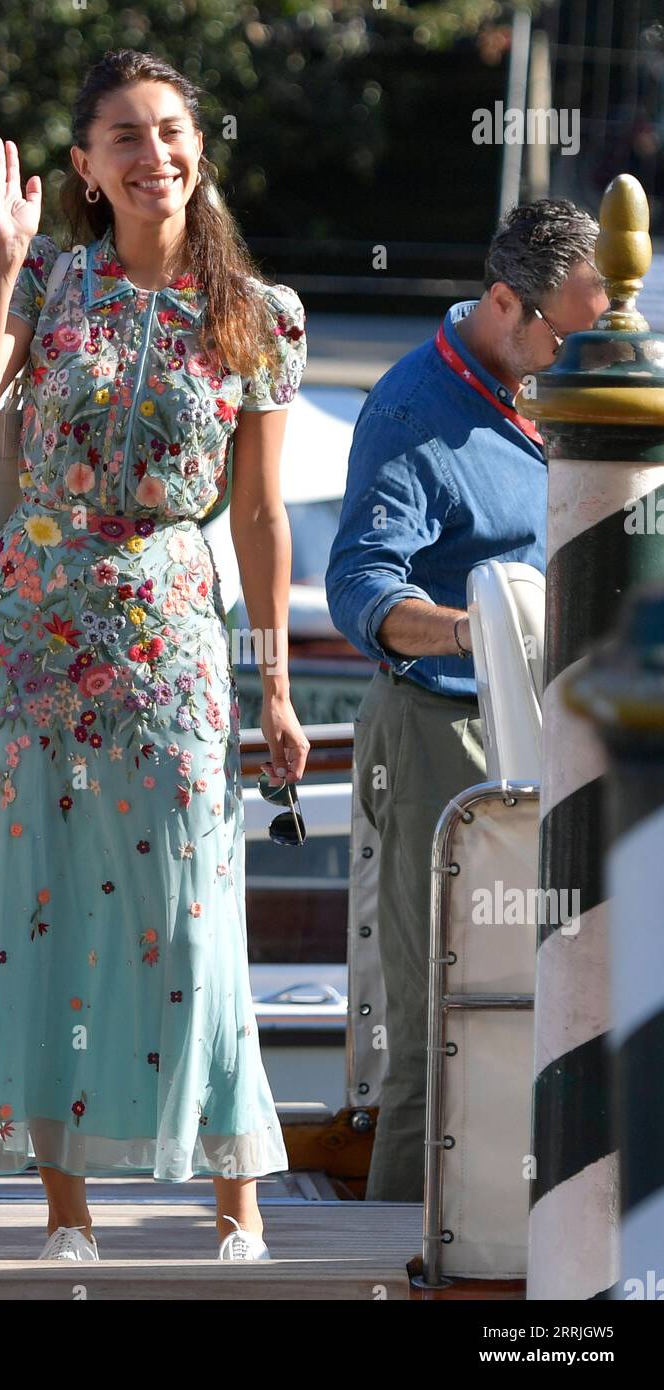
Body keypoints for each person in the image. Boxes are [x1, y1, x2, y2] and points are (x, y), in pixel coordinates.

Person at [0, 48, 310, 1262]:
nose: (156, 156)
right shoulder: (45, 277)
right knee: (32, 910)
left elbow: (256, 514)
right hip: (28, 631)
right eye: (126, 138)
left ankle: (234, 1202)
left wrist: (278, 681)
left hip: (175, 639)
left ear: (199, 145)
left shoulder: (261, 312)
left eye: (173, 131)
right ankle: (65, 1210)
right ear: (84, 167)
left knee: (191, 911)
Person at [325, 199, 610, 1202]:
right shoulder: (412, 411)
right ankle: (399, 1247)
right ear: (502, 302)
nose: (587, 362)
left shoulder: (547, 384)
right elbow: (359, 582)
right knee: (444, 1013)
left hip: (563, 732)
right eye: (571, 340)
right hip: (444, 725)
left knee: (552, 1006)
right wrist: (482, 626)